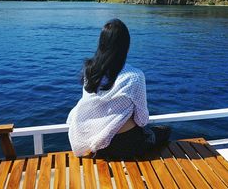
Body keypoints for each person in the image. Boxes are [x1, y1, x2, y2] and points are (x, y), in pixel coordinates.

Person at [67, 18, 170, 159]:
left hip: (97, 144)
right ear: (126, 47)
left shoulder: (89, 71)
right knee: (165, 131)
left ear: (101, 44)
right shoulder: (135, 76)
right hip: (126, 144)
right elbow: (142, 120)